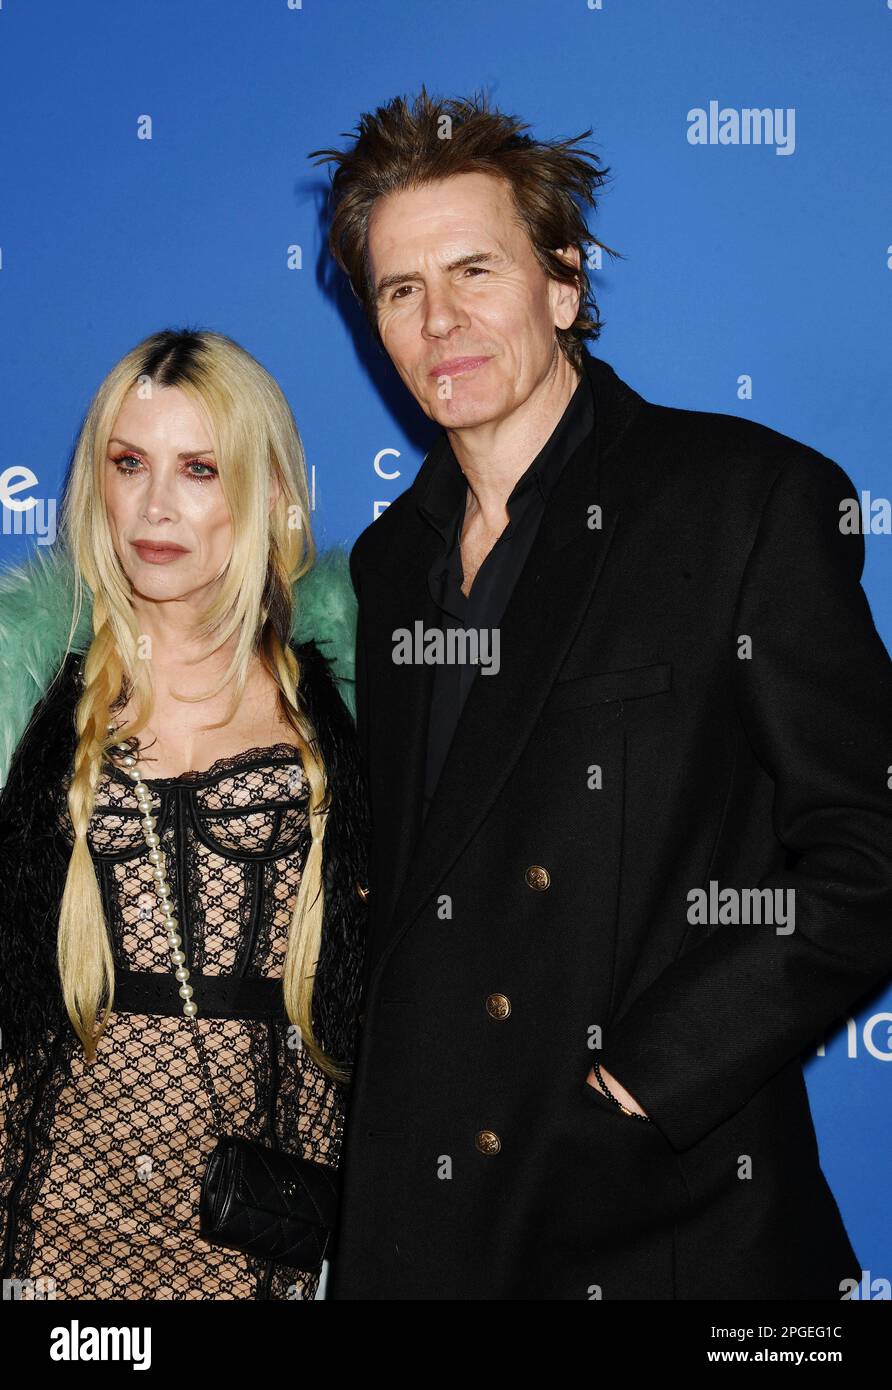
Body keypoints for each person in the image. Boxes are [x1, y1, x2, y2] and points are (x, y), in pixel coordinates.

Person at [309, 89, 892, 1300]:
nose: (441, 321)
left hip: (659, 1215)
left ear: (562, 283)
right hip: (430, 1212)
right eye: (400, 289)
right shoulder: (389, 560)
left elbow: (868, 845)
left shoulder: (739, 502)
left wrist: (650, 1075)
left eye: (475, 269)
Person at [0, 327, 368, 1300]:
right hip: (57, 1220)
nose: (156, 504)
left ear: (270, 495)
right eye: (130, 463)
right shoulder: (28, 701)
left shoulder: (353, 709)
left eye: (199, 468)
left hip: (264, 1228)